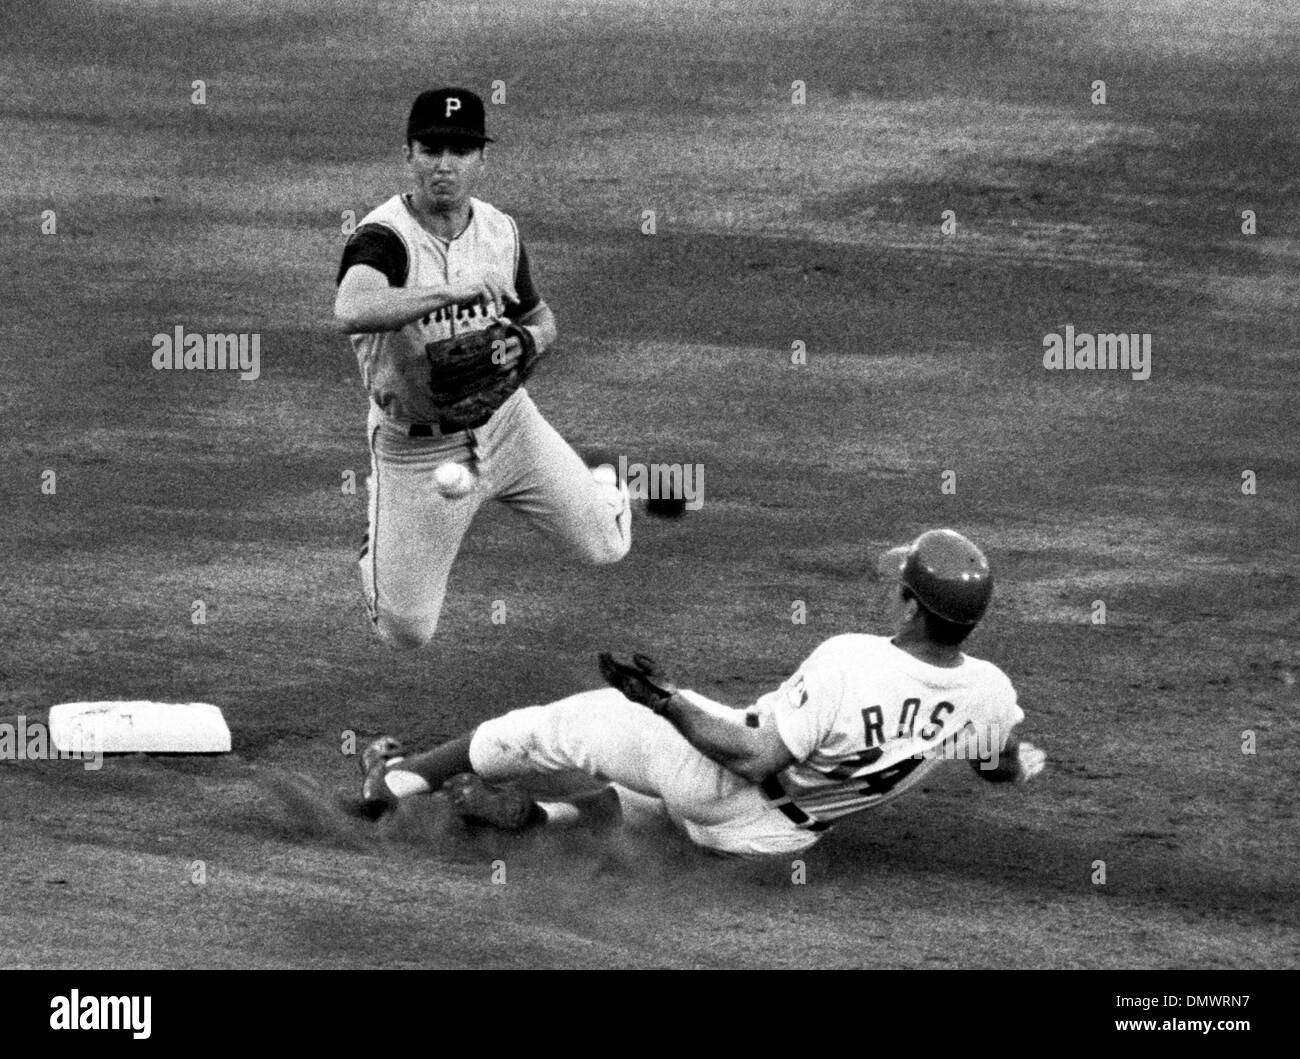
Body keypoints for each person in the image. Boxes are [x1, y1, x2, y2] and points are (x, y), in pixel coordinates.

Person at [357, 529, 1047, 856]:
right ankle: (537, 818)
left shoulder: (851, 660)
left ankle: (397, 781)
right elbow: (994, 761)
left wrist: (666, 703)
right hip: (775, 839)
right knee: (637, 805)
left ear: (908, 608)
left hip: (722, 781)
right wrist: (1019, 764)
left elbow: (754, 757)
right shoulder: (990, 692)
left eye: (899, 584)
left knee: (544, 729)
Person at [333, 87, 630, 649]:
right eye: (431, 149)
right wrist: (447, 293)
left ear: (482, 161)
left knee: (606, 545)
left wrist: (527, 341)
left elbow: (542, 317)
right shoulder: (382, 237)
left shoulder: (500, 231)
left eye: (462, 151)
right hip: (418, 450)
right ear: (408, 154)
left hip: (509, 425)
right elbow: (352, 308)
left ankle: (604, 490)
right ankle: (379, 538)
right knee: (406, 632)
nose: (445, 165)